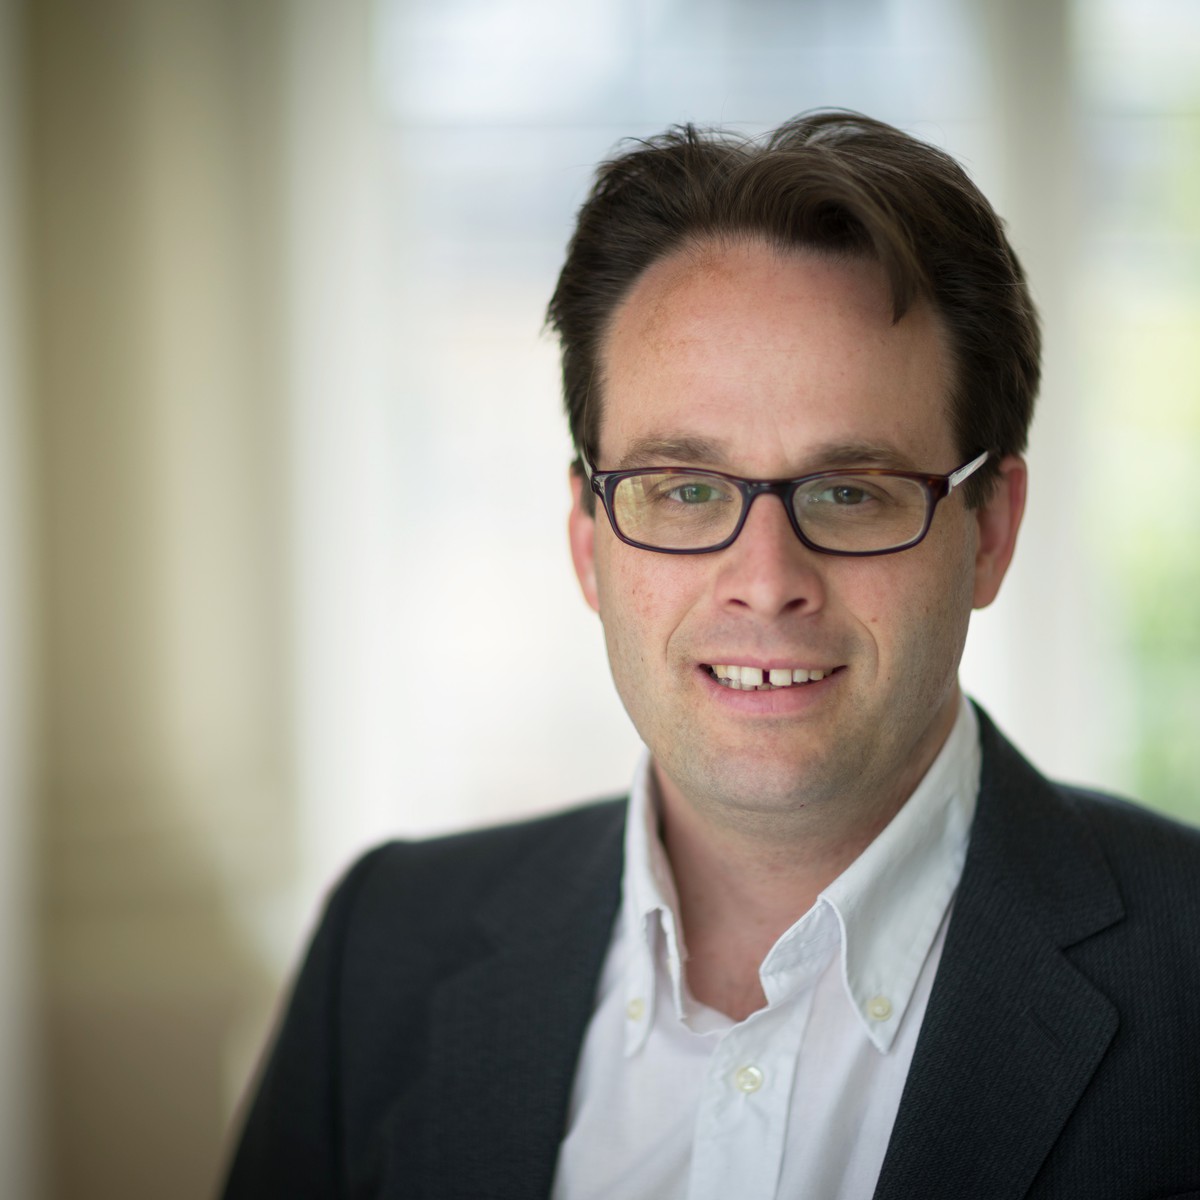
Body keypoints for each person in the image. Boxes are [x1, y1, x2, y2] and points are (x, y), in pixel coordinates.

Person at [221, 112, 1200, 1200]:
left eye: (849, 492)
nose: (766, 579)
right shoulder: (385, 948)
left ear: (992, 533)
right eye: (684, 489)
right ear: (588, 540)